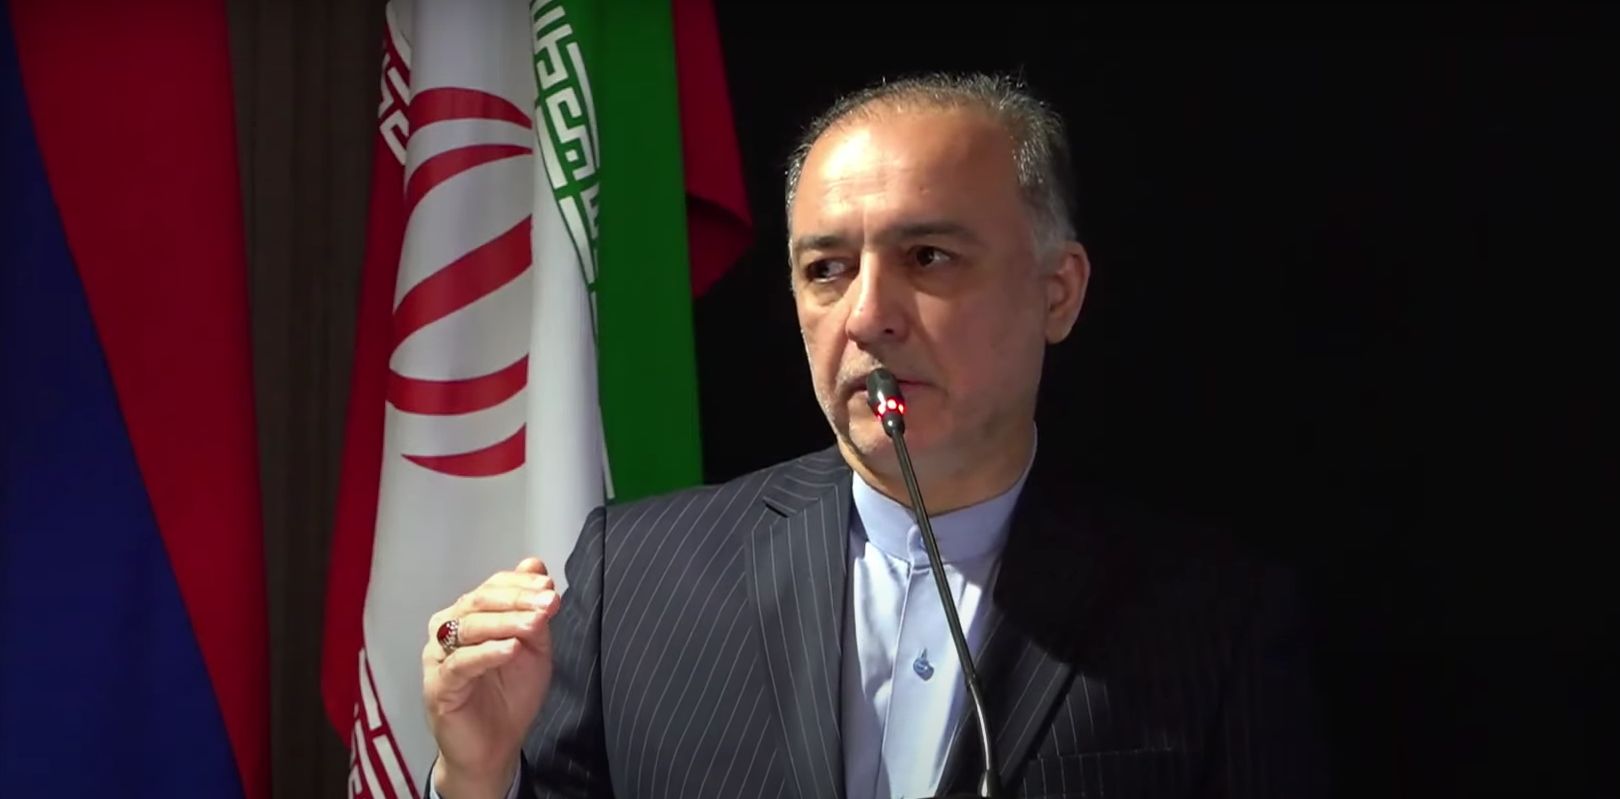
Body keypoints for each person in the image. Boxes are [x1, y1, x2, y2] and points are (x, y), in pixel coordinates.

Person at [419, 72, 1329, 798]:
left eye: (928, 258)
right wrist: (477, 775)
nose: (866, 315)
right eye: (827, 269)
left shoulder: (1215, 619)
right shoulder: (638, 578)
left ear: (1057, 292)